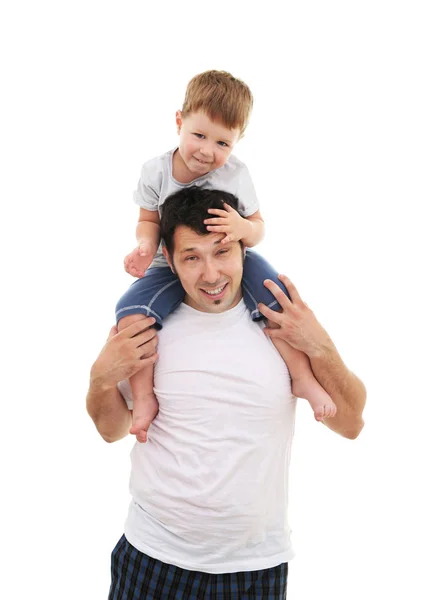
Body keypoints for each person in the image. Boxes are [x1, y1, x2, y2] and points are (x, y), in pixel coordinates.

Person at [87, 187, 367, 600]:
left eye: (221, 252)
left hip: (256, 566)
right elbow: (112, 430)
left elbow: (351, 423)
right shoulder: (146, 327)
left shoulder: (284, 324)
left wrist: (319, 344)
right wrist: (100, 378)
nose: (212, 274)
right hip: (153, 554)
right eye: (192, 257)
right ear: (168, 256)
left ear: (243, 248)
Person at [115, 69, 336, 443]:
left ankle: (301, 378)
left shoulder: (236, 175)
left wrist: (242, 229)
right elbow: (147, 219)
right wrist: (145, 246)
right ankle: (143, 397)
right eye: (199, 135)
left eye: (222, 143)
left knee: (275, 298)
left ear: (237, 143)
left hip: (233, 258)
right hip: (168, 263)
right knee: (130, 315)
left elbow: (258, 228)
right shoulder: (156, 171)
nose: (206, 151)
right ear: (179, 122)